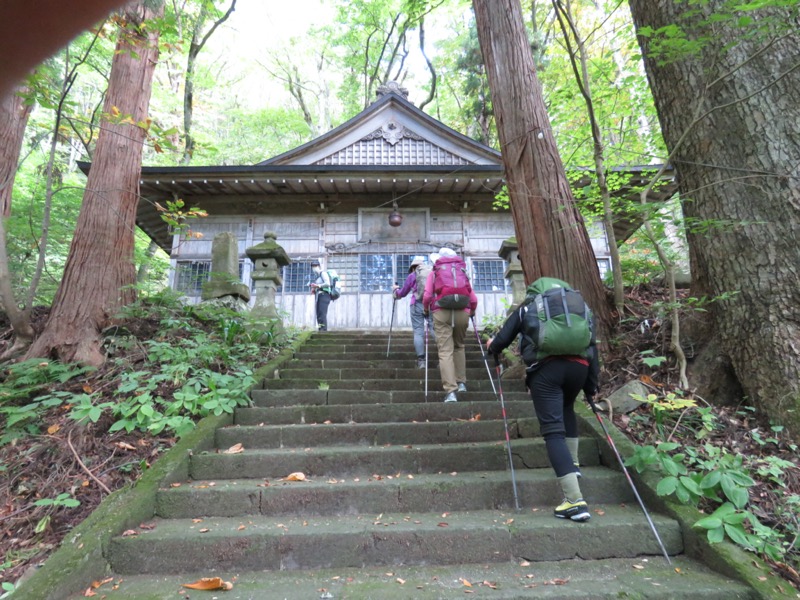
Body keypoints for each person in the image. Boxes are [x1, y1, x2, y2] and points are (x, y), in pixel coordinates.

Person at [486, 277, 600, 522]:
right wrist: (591, 386)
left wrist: (492, 347)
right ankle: (574, 466)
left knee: (553, 432)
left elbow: (502, 340)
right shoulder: (581, 307)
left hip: (546, 371)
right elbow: (592, 346)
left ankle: (574, 501)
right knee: (567, 408)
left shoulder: (529, 307)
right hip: (579, 368)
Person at [422, 248, 477, 403]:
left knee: (445, 351)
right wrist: (471, 311)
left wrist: (426, 310)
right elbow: (473, 298)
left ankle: (451, 392)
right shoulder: (462, 272)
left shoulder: (434, 273)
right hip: (462, 312)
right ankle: (461, 383)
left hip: (441, 312)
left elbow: (427, 296)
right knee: (459, 346)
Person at [392, 256, 435, 368]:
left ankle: (421, 361)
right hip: (432, 304)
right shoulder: (432, 274)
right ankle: (444, 355)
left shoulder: (412, 276)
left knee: (418, 331)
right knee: (434, 329)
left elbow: (402, 293)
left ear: (413, 268)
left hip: (416, 305)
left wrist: (395, 290)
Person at [309, 258, 333, 331]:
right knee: (319, 313)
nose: (314, 267)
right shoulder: (317, 277)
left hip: (324, 295)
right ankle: (320, 329)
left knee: (322, 313)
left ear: (319, 266)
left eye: (315, 266)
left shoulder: (323, 273)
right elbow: (318, 286)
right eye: (313, 266)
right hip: (319, 295)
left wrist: (318, 286)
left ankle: (323, 330)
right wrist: (314, 289)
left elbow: (327, 283)